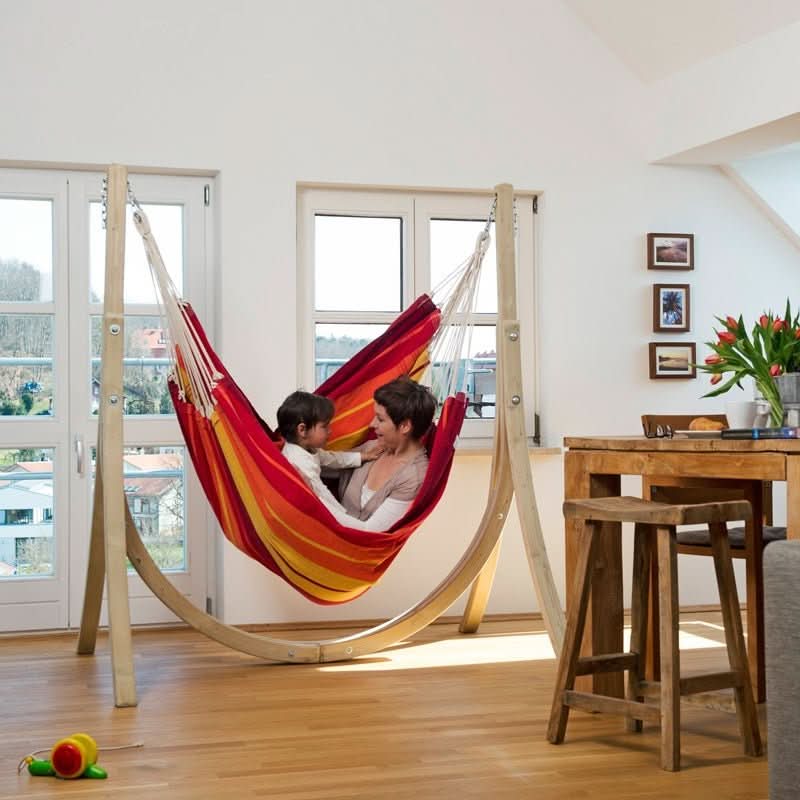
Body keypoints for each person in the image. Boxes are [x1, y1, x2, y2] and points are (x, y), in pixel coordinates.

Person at [337, 375, 437, 531]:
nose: (372, 424)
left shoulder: (413, 477)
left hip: (360, 551)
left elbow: (370, 532)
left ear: (404, 426)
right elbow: (324, 463)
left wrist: (319, 503)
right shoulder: (374, 448)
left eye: (380, 419)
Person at [277, 390, 383, 515]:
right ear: (302, 430)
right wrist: (344, 516)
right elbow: (321, 494)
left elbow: (332, 458)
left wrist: (362, 456)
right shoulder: (299, 463)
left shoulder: (307, 448)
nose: (330, 431)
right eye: (325, 426)